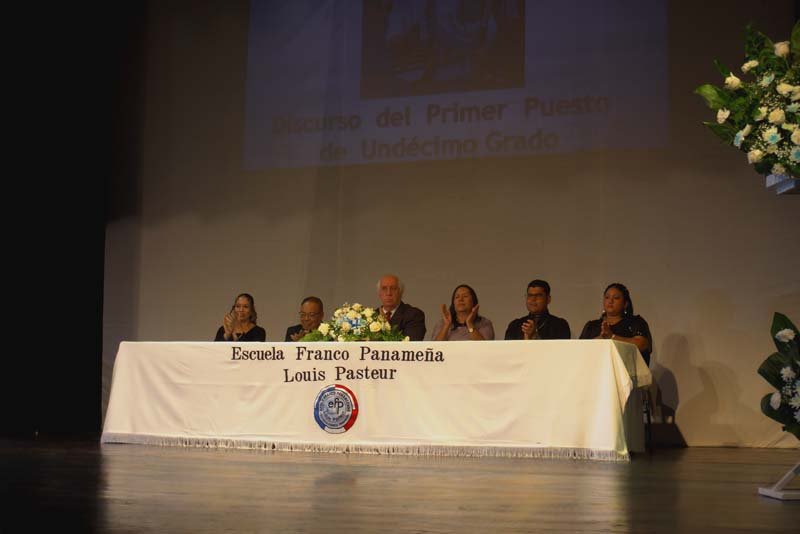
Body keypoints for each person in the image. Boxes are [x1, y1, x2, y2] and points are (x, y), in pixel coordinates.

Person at [579, 283, 653, 365]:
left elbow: (642, 344)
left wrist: (612, 337)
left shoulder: (635, 322)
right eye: (607, 297)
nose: (610, 301)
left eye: (616, 298)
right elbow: (579, 350)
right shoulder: (591, 326)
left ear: (625, 304)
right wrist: (600, 340)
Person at [504, 279, 570, 340]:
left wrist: (535, 336)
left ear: (548, 299)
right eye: (530, 295)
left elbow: (561, 348)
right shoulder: (515, 325)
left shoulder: (560, 325)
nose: (533, 299)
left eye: (538, 295)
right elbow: (507, 348)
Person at [377, 274, 426, 341]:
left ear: (400, 292)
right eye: (384, 288)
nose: (388, 293)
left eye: (393, 288)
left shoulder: (414, 315)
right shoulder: (371, 316)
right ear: (379, 293)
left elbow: (412, 342)